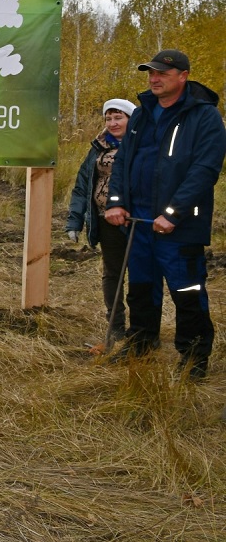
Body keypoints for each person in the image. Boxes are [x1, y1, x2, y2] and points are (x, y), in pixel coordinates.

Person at [104, 49, 226, 380]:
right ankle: (141, 343)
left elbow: (204, 170)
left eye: (162, 74)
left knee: (187, 292)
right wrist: (115, 201)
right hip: (139, 223)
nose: (154, 79)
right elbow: (123, 162)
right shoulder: (142, 116)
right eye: (150, 73)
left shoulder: (205, 118)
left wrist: (173, 214)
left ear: (183, 76)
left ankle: (193, 357)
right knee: (141, 287)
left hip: (180, 226)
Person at [65, 98, 136, 348]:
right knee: (112, 274)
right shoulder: (98, 148)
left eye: (119, 118)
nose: (113, 123)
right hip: (105, 221)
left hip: (136, 221)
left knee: (139, 275)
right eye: (108, 118)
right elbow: (82, 186)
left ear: (131, 119)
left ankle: (141, 331)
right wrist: (75, 221)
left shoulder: (142, 146)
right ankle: (115, 327)